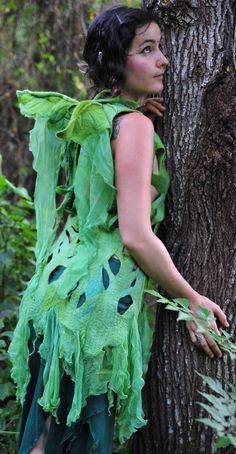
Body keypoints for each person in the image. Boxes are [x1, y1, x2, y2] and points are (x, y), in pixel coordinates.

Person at [9, 5, 229, 454]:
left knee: (49, 440)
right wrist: (191, 300)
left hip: (54, 298)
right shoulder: (134, 126)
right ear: (115, 62)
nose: (164, 60)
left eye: (161, 48)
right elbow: (133, 233)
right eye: (147, 50)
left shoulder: (93, 119)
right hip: (95, 306)